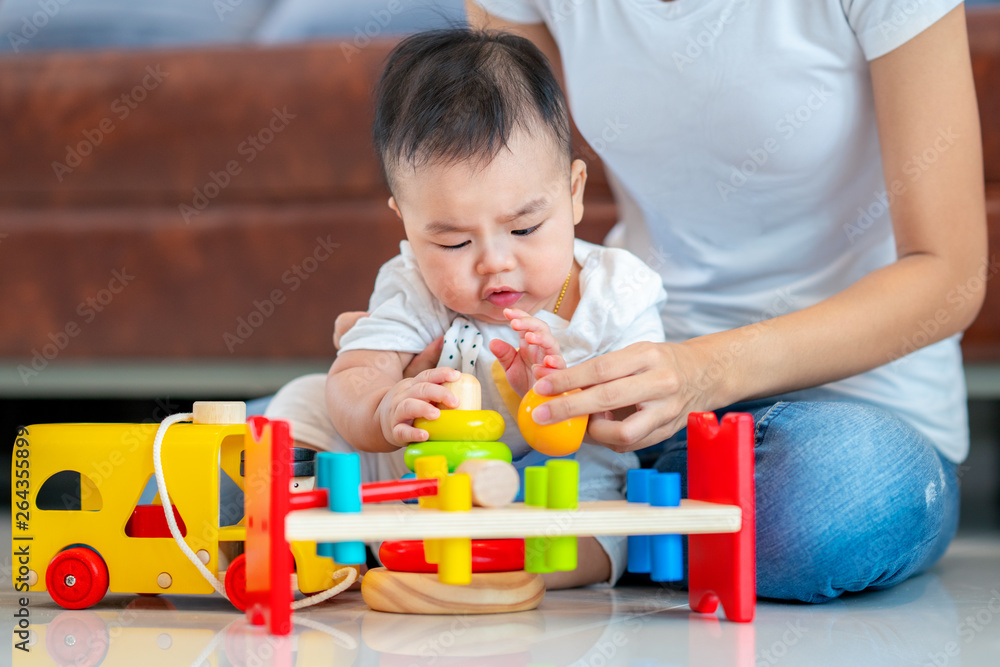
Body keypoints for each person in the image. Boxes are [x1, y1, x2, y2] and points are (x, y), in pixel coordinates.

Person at [455, 0, 987, 602]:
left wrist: (707, 369)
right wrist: (418, 332)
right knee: (381, 434)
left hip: (849, 409)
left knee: (837, 491)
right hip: (642, 392)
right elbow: (498, 199)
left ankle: (610, 522)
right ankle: (650, 521)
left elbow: (950, 274)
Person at [267, 28, 668, 588]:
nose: (494, 263)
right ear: (405, 222)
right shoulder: (415, 285)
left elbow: (639, 419)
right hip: (406, 483)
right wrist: (383, 409)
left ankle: (479, 565)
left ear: (574, 192)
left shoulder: (614, 292)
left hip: (554, 487)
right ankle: (287, 526)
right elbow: (356, 372)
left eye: (525, 227)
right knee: (304, 401)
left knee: (609, 526)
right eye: (454, 242)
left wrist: (563, 397)